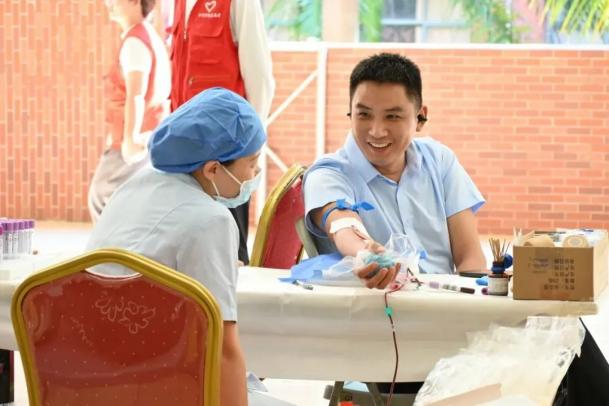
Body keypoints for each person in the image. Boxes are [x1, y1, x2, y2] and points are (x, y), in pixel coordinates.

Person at [87, 88, 265, 406]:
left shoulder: (133, 187)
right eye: (252, 163)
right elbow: (223, 349)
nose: (256, 174)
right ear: (213, 169)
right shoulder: (211, 220)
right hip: (162, 386)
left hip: (93, 379)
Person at [304, 53, 487, 280]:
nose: (376, 131)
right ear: (350, 113)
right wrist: (365, 253)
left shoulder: (440, 161)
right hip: (371, 302)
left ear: (420, 118)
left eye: (392, 116)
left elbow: (471, 259)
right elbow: (342, 224)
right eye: (364, 115)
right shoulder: (327, 174)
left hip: (443, 300)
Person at [168, 0, 275, 264]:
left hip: (226, 154)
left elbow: (260, 78)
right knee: (192, 247)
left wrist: (248, 150)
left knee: (230, 248)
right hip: (185, 152)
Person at [89, 0, 171, 222]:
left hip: (133, 138)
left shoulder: (136, 41)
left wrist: (130, 138)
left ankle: (110, 244)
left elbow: (136, 94)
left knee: (102, 193)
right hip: (149, 134)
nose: (109, 4)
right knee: (129, 202)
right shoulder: (147, 36)